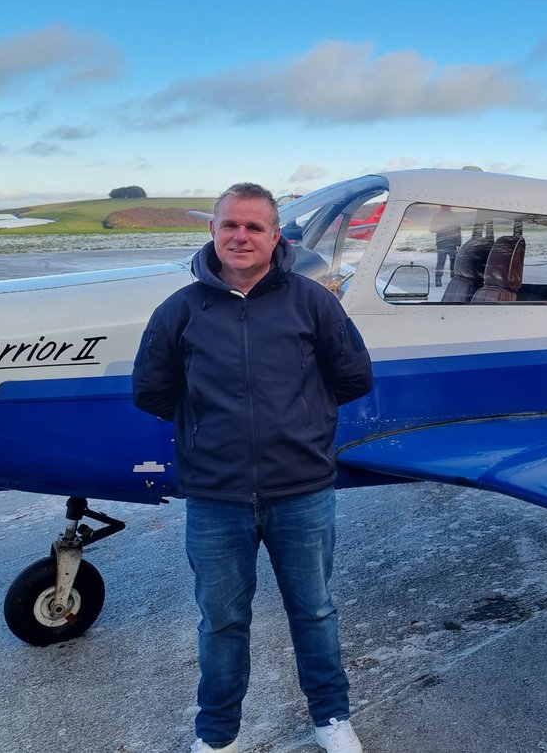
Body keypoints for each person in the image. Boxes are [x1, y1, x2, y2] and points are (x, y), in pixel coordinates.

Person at [132, 182, 374, 753]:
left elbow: (353, 377)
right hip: (216, 497)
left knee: (314, 610)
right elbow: (152, 391)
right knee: (220, 621)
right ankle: (217, 734)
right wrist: (209, 430)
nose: (240, 236)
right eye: (229, 226)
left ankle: (331, 718)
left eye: (254, 227)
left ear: (275, 236)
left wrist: (301, 423)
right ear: (212, 233)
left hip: (302, 491)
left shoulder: (312, 302)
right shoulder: (180, 311)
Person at [430, 204, 461, 287]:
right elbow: (458, 230)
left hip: (442, 243)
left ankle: (438, 279)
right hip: (452, 243)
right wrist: (459, 243)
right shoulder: (454, 217)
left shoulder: (437, 217)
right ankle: (453, 279)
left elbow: (432, 229)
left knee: (441, 262)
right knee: (453, 262)